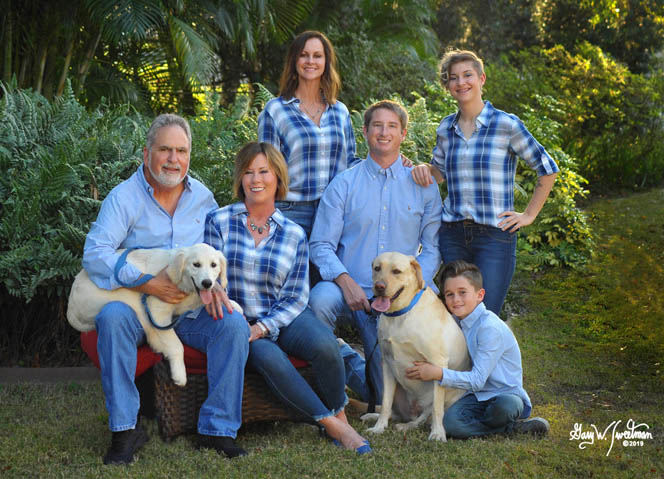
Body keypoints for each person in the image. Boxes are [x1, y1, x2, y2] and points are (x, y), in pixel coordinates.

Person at [83, 114, 250, 465]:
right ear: (147, 153)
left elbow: (213, 253)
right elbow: (95, 253)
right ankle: (125, 430)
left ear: (189, 155)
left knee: (233, 324)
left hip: (188, 310)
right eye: (165, 150)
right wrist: (145, 281)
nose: (173, 159)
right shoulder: (124, 197)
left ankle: (217, 429)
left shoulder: (202, 198)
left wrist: (218, 285)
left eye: (181, 150)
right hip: (137, 306)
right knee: (111, 316)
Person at [204, 142, 371, 454]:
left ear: (277, 177)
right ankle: (333, 425)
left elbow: (296, 296)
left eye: (264, 171)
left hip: (285, 316)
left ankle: (340, 411)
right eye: (248, 172)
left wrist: (266, 327)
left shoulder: (294, 233)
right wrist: (246, 325)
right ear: (240, 179)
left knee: (324, 344)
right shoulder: (218, 221)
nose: (256, 179)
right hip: (240, 320)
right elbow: (212, 282)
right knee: (271, 359)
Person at [309, 100, 443, 406]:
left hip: (401, 294)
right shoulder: (344, 184)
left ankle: (433, 391)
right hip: (350, 290)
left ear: (404, 134)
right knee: (318, 302)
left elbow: (433, 246)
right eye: (377, 126)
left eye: (392, 126)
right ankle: (339, 375)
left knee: (388, 401)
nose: (384, 133)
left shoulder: (422, 185)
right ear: (366, 132)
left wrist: (411, 287)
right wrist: (345, 281)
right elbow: (321, 245)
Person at [412, 49, 559, 315]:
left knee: (485, 315)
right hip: (453, 234)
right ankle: (458, 360)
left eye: (468, 75)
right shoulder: (446, 128)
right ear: (447, 86)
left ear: (482, 78)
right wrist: (422, 168)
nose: (461, 82)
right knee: (456, 313)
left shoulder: (506, 125)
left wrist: (528, 215)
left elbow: (547, 169)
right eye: (453, 78)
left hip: (494, 236)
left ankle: (489, 359)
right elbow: (439, 173)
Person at [405, 259, 549, 438]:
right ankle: (508, 430)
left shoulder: (489, 328)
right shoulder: (456, 323)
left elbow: (477, 380)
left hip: (504, 394)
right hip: (474, 396)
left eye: (462, 292)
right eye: (449, 294)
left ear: (480, 295)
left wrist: (437, 373)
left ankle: (501, 423)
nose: (456, 300)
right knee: (449, 425)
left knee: (504, 408)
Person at [257, 30, 359, 236]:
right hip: (290, 212)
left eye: (317, 55)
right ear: (294, 60)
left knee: (328, 269)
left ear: (326, 62)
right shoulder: (275, 110)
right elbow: (265, 168)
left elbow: (350, 162)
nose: (310, 61)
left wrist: (390, 163)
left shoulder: (340, 111)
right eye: (304, 55)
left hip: (334, 212)